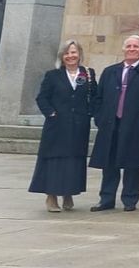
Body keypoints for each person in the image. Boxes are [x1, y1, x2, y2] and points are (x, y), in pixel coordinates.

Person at [89, 35, 139, 212]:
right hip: (110, 123)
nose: (131, 49)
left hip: (136, 124)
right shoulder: (110, 71)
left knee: (132, 163)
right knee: (109, 162)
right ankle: (106, 198)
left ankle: (130, 199)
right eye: (128, 46)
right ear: (123, 49)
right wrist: (99, 117)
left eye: (135, 46)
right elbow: (98, 98)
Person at [30, 40, 97, 212]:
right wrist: (51, 113)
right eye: (67, 53)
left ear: (79, 54)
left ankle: (69, 193)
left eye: (73, 52)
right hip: (57, 125)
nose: (70, 56)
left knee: (73, 160)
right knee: (55, 160)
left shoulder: (87, 74)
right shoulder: (53, 75)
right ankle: (51, 196)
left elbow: (95, 97)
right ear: (62, 56)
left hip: (79, 126)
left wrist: (89, 113)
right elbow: (42, 98)